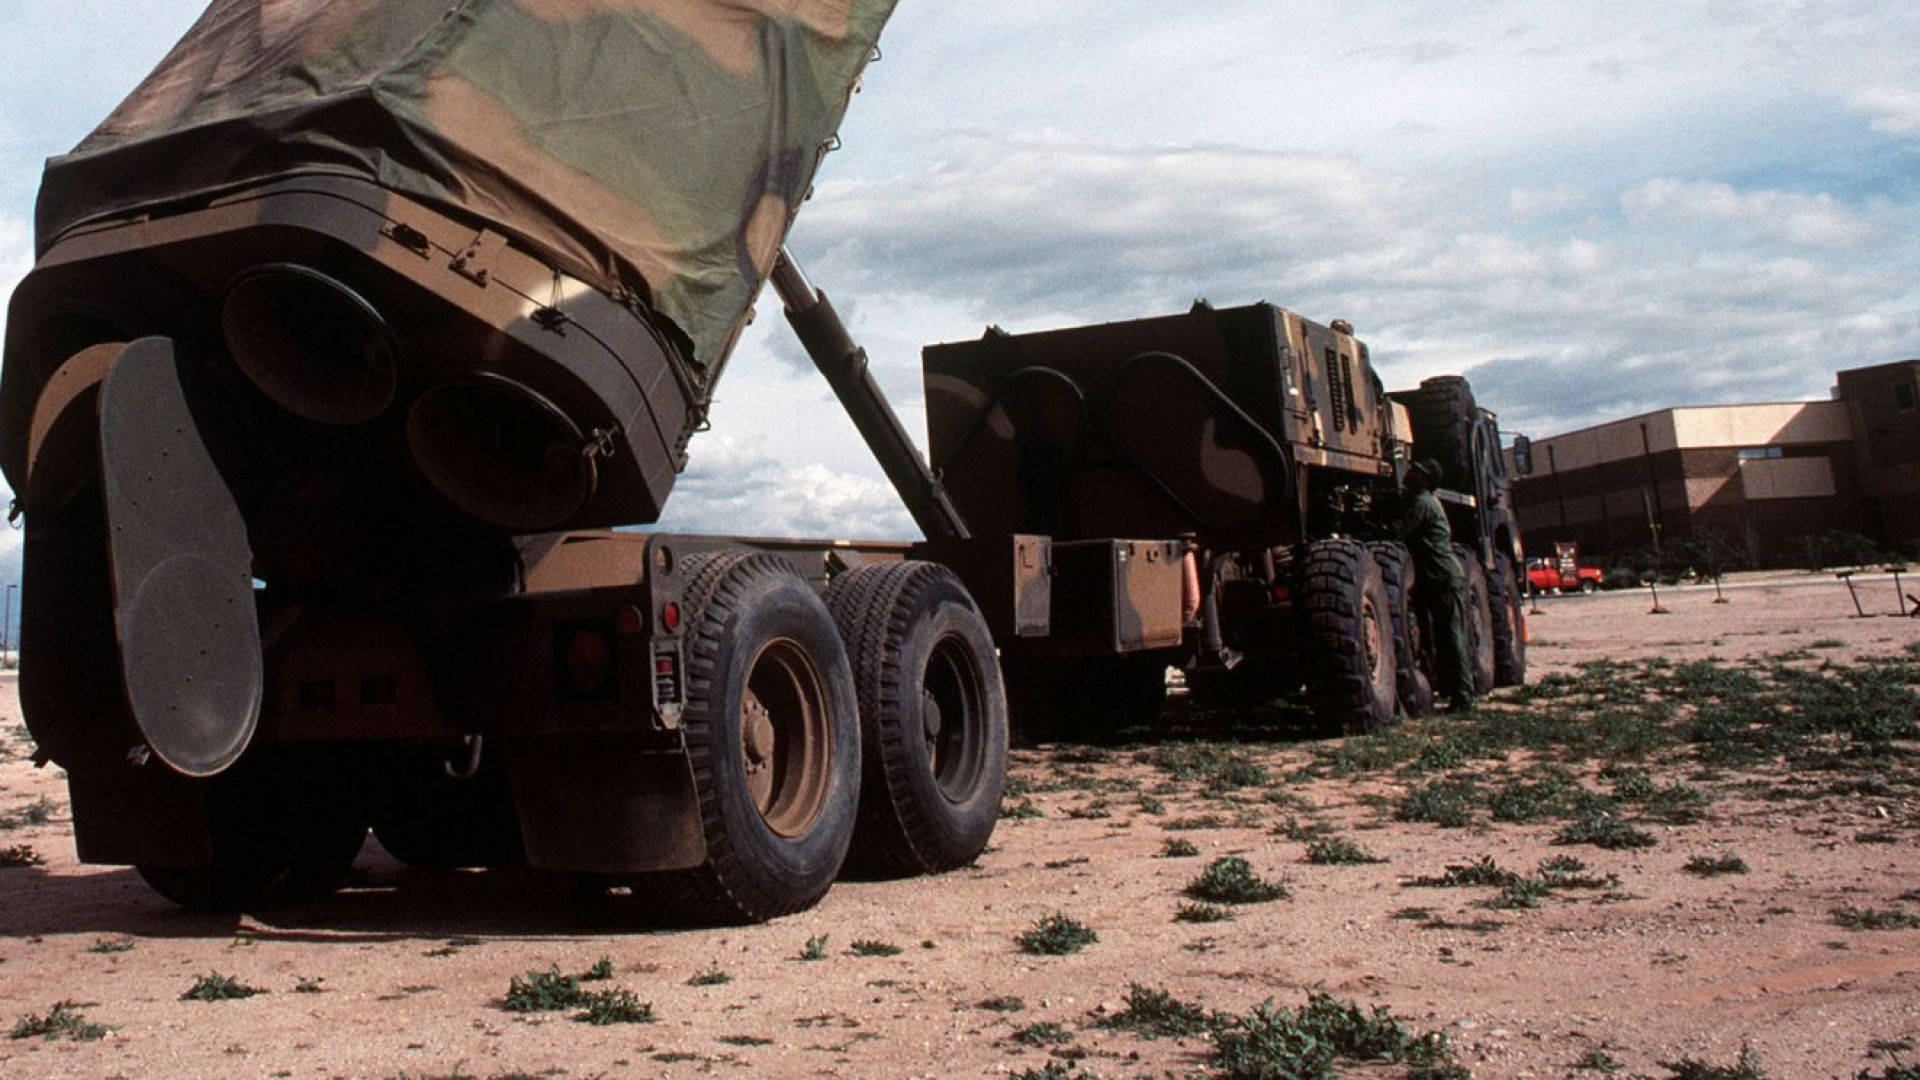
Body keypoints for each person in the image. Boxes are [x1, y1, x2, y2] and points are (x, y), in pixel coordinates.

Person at [1399, 458, 1476, 710]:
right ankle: (1453, 690)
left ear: (1425, 480)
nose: (1409, 473)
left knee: (1452, 636)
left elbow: (1401, 533)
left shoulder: (1422, 503)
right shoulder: (1429, 502)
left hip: (1443, 576)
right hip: (1438, 577)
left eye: (1415, 472)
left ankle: (1464, 695)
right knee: (1444, 636)